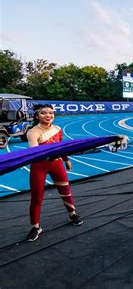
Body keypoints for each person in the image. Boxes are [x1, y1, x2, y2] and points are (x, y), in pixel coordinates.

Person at [25, 104, 83, 242]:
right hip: (39, 166)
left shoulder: (57, 129)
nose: (48, 115)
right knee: (36, 197)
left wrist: (66, 160)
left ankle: (72, 214)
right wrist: (48, 156)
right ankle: (35, 226)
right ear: (37, 116)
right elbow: (35, 153)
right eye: (43, 113)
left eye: (51, 113)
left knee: (66, 191)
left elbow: (61, 146)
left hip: (56, 164)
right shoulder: (33, 132)